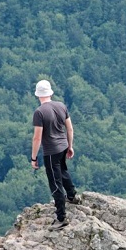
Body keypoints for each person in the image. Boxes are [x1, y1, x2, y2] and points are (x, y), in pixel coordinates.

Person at [30, 79, 79, 226]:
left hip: (51, 151)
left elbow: (37, 137)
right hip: (63, 146)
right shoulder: (61, 106)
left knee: (55, 182)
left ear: (38, 95)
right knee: (63, 171)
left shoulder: (39, 112)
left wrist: (33, 158)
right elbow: (69, 129)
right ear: (50, 92)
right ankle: (72, 196)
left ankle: (61, 217)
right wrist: (70, 146)